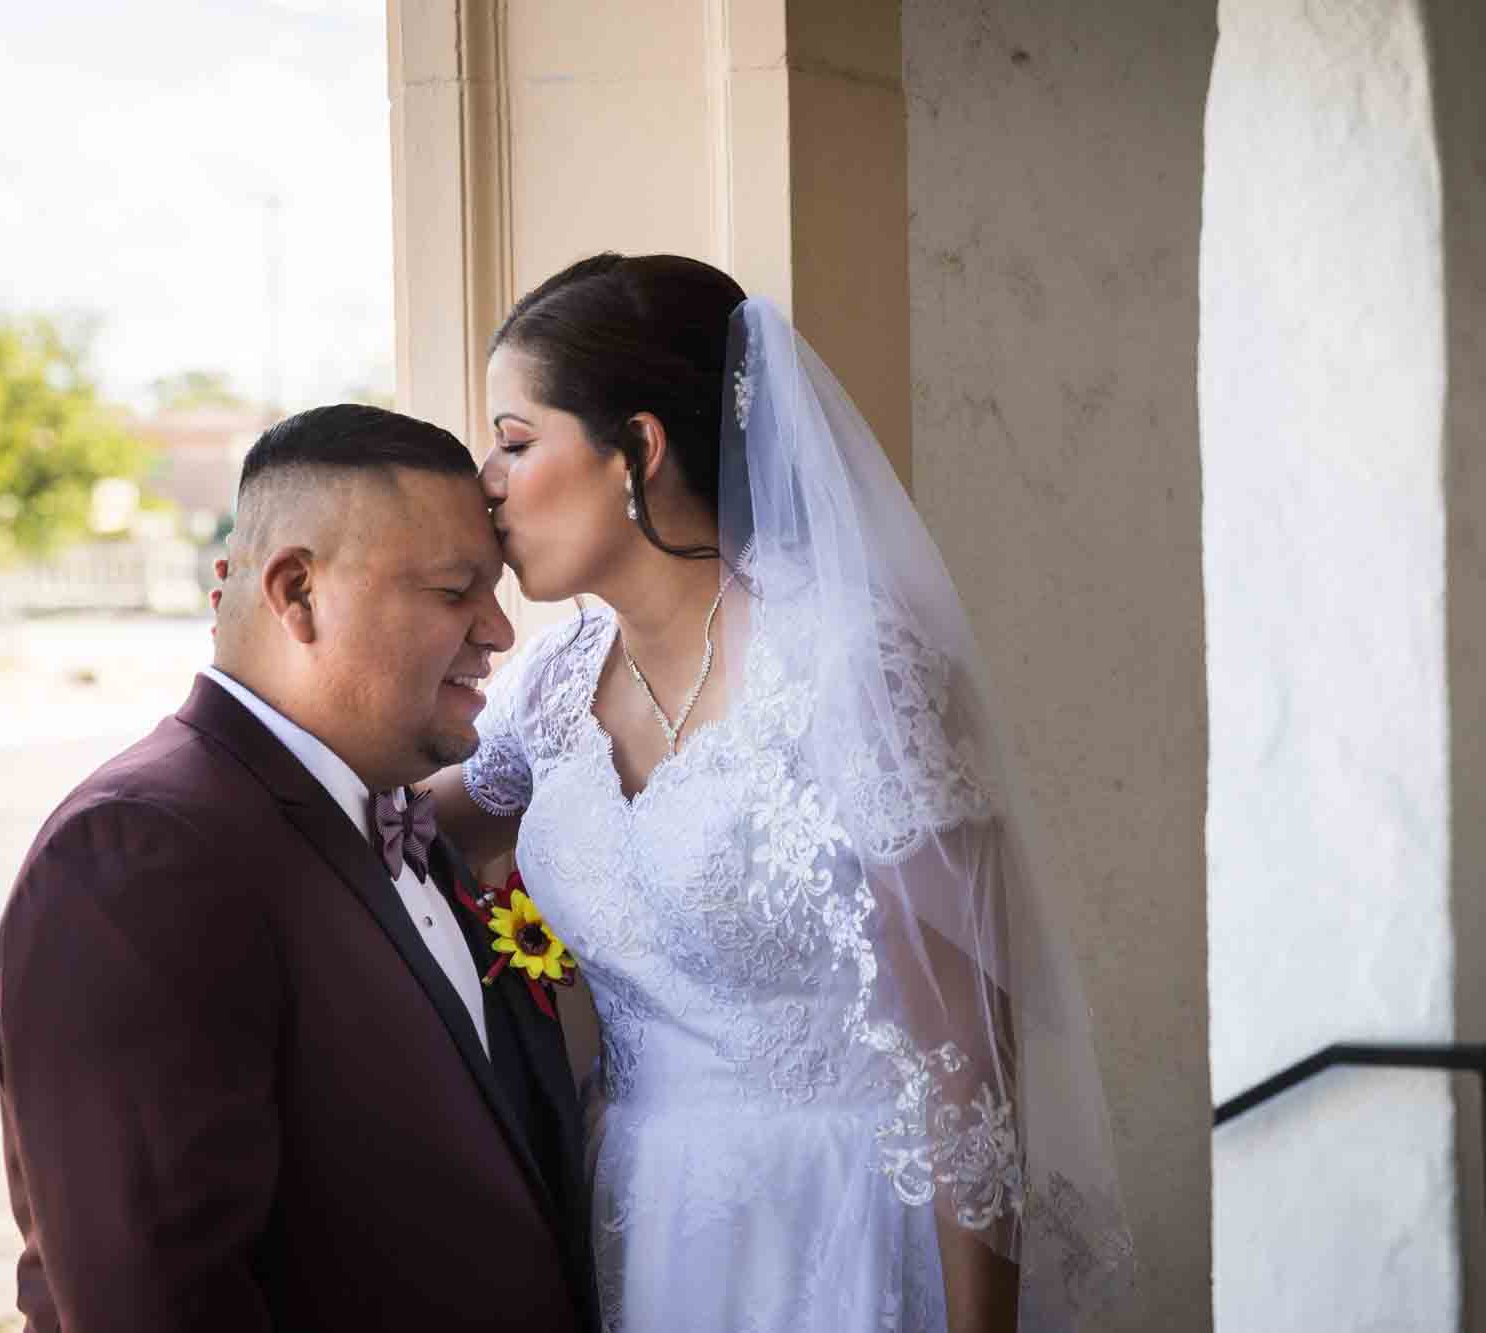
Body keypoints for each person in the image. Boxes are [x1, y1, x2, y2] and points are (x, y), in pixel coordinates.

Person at [427, 255, 1131, 1332]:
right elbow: (401, 824)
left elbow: (965, 1069)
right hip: (641, 1220)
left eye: (515, 442)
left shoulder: (850, 667)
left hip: (841, 1220)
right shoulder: (556, 685)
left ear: (638, 451)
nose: (487, 480)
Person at [0, 405, 594, 1332]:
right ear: (297, 592)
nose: (499, 631)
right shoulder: (139, 862)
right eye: (454, 590)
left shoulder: (403, 818)